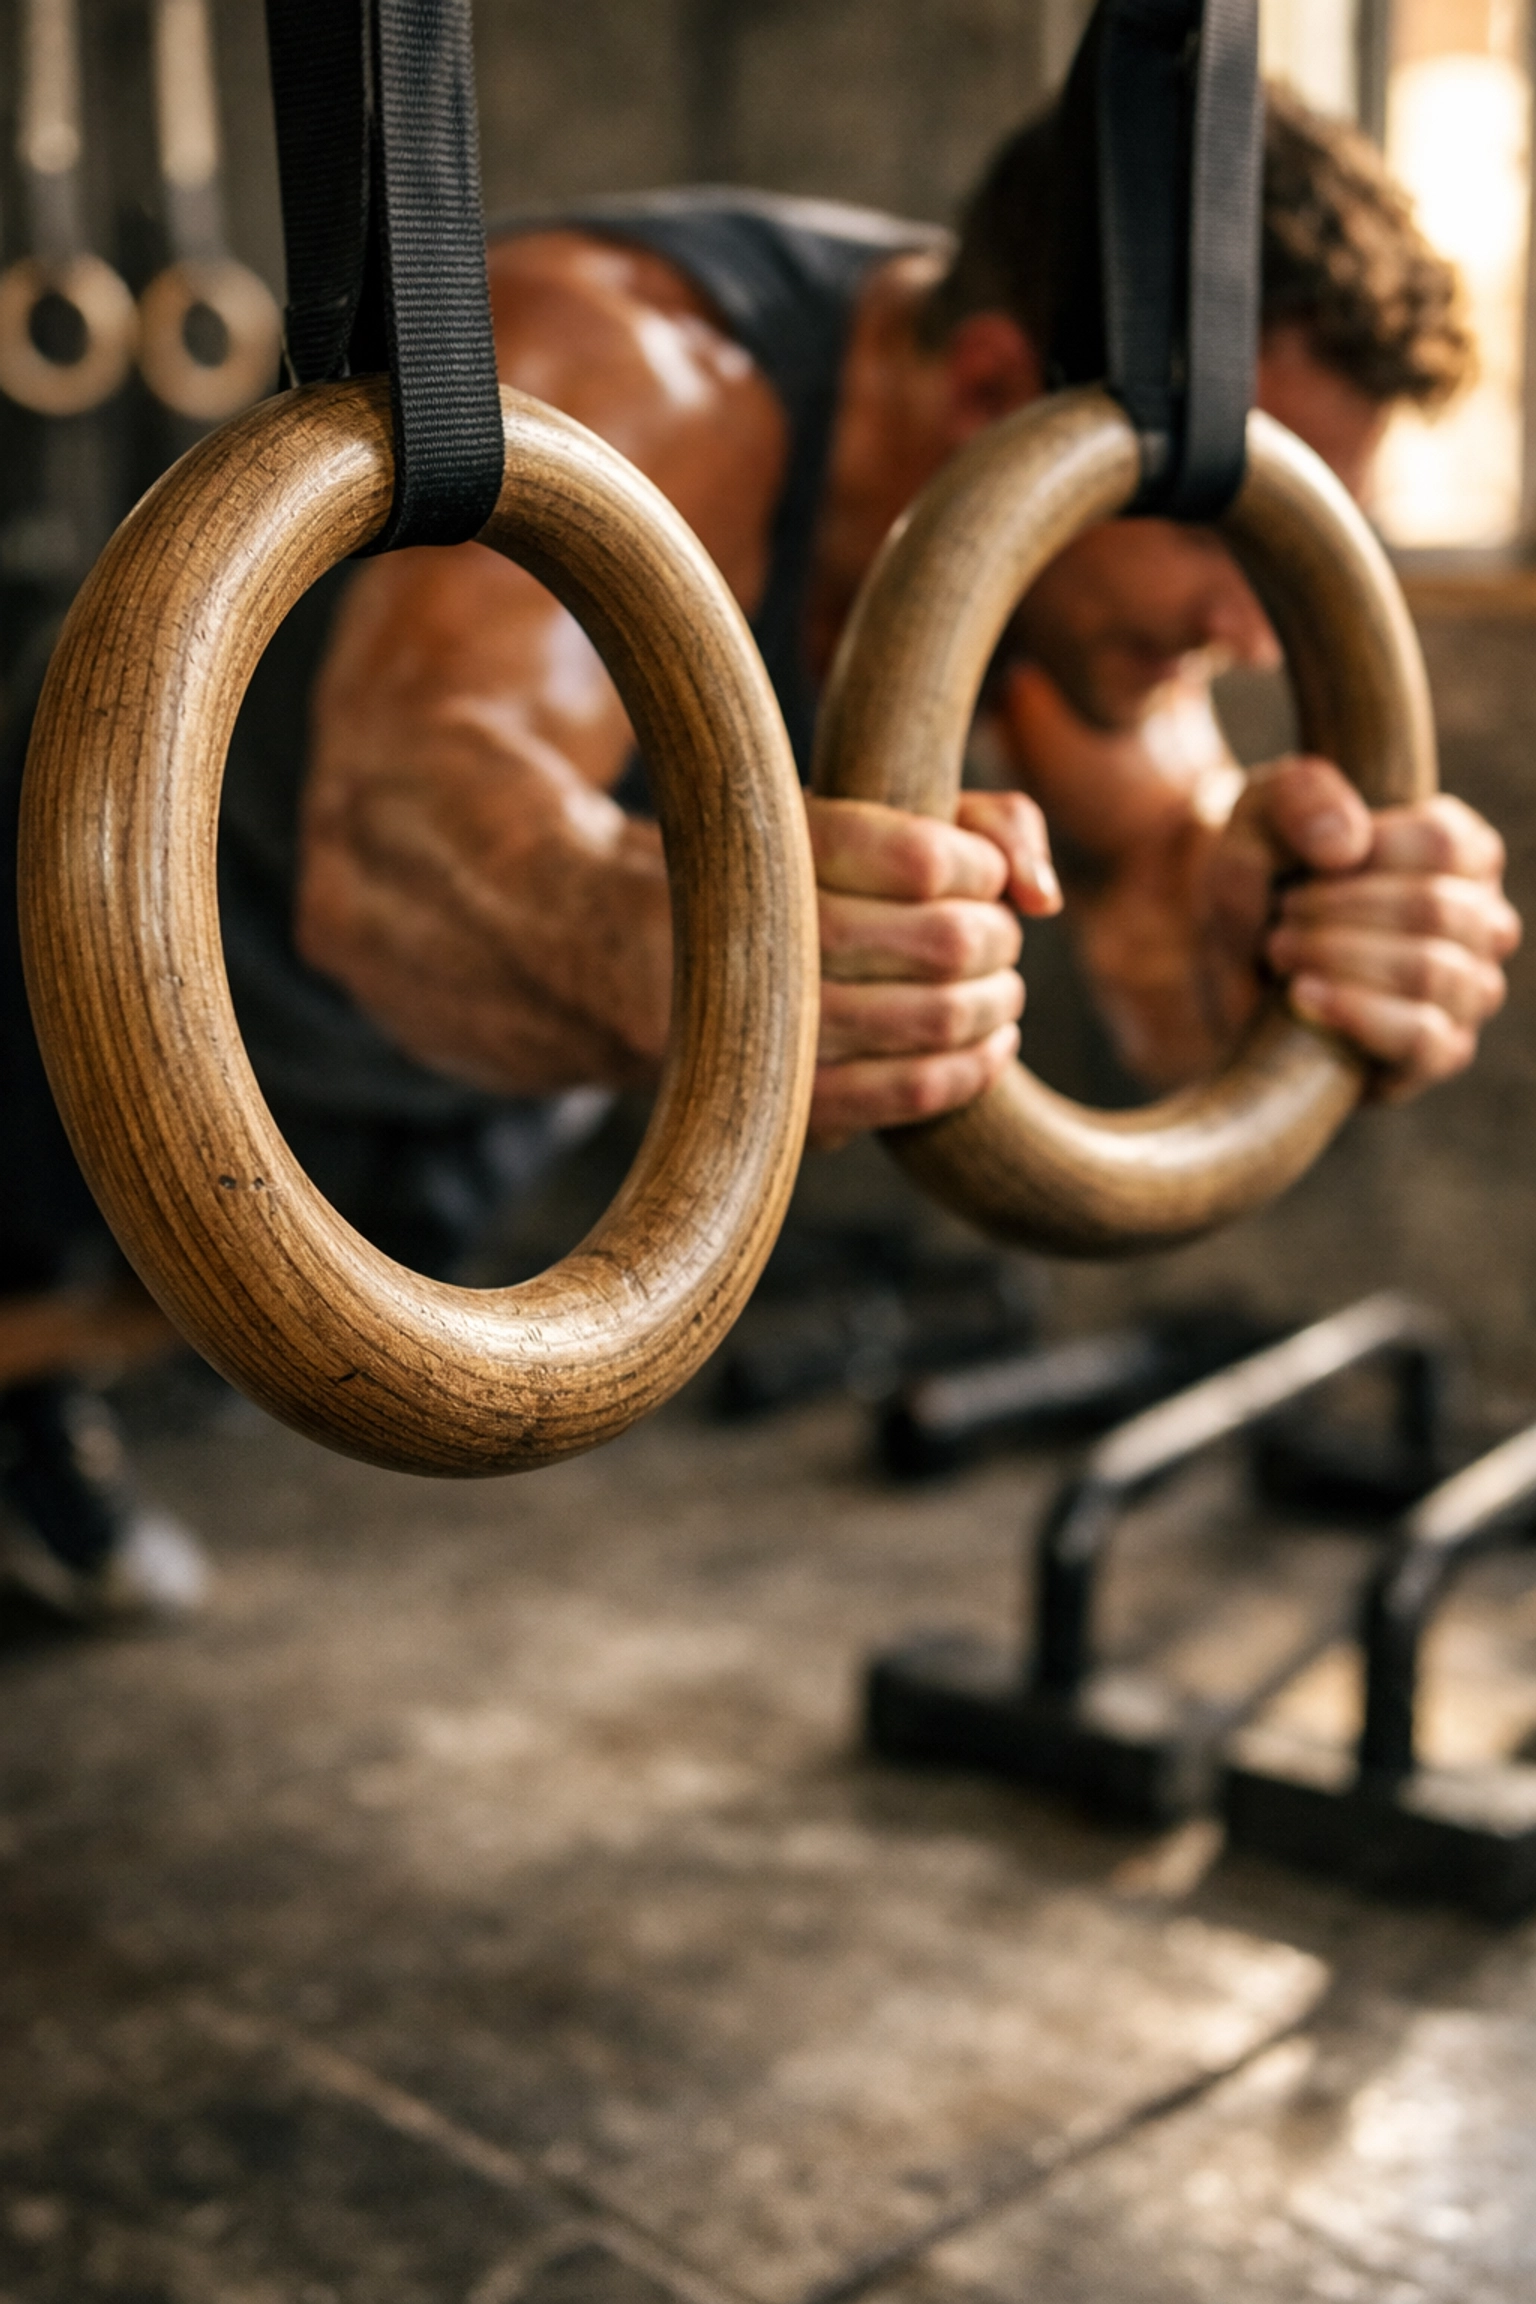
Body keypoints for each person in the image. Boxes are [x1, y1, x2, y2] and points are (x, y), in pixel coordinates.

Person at [0, 85, 1518, 1617]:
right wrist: (730, 955)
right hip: (90, 954)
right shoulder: (630, 364)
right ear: (1000, 390)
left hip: (422, 1103)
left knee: (178, 1343)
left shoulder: (1069, 575)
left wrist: (1280, 944)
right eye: (1210, 538)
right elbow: (399, 844)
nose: (1251, 629)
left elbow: (1155, 918)